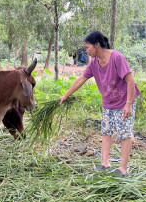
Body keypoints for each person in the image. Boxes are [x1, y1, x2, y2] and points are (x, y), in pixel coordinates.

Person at [59, 31, 140, 176]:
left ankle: (123, 168)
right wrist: (65, 95)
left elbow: (130, 81)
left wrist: (128, 104)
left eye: (88, 47)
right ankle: (105, 163)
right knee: (106, 131)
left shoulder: (117, 58)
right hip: (108, 102)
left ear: (97, 45)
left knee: (124, 134)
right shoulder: (94, 63)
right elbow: (81, 79)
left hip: (123, 101)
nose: (86, 51)